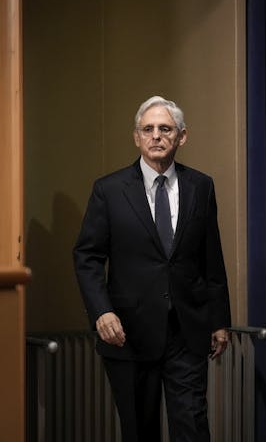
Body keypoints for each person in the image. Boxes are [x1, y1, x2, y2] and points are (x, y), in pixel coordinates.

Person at [73, 95, 231, 442]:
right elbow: (86, 257)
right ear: (136, 137)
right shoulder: (109, 190)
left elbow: (211, 256)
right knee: (139, 431)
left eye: (165, 129)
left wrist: (219, 319)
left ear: (181, 136)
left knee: (192, 426)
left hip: (186, 332)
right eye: (148, 129)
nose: (156, 136)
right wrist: (102, 312)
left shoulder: (200, 186)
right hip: (128, 334)